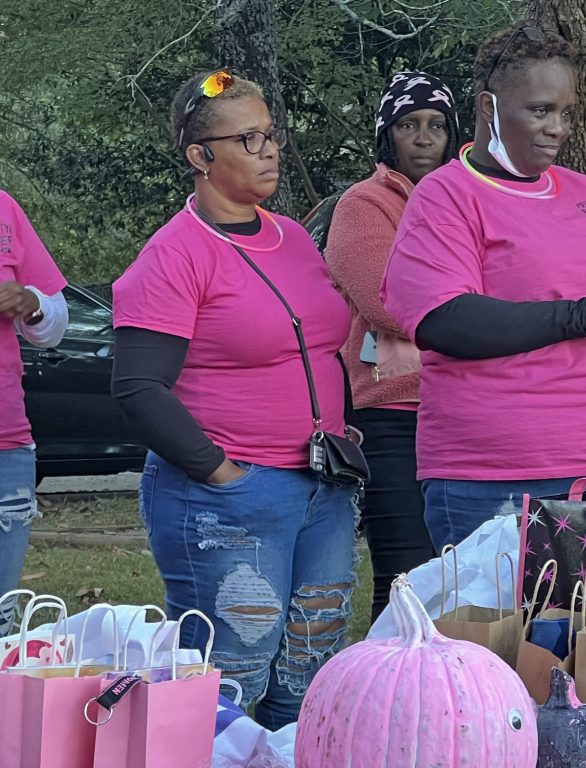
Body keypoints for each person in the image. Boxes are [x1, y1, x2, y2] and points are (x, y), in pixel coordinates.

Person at [111, 70, 357, 728]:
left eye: (270, 134)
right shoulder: (175, 254)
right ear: (200, 156)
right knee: (229, 681)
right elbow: (137, 387)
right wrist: (224, 475)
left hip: (322, 488)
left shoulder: (293, 237)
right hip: (230, 496)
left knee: (311, 669)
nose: (269, 149)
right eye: (248, 138)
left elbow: (318, 344)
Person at [381, 23, 586, 549]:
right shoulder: (446, 195)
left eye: (567, 112)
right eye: (540, 110)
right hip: (503, 474)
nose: (558, 128)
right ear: (489, 107)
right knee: (508, 610)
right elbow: (442, 321)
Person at [324, 71, 459, 622]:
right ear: (388, 135)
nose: (424, 138)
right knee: (405, 578)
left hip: (468, 407)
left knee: (466, 577)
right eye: (409, 125)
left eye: (436, 125)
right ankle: (387, 675)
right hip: (393, 411)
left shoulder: (470, 197)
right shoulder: (364, 204)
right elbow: (389, 302)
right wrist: (474, 307)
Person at [0, 192, 68, 632]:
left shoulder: (4, 208)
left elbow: (54, 324)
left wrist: (33, 303)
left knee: (1, 619)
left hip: (7, 446)